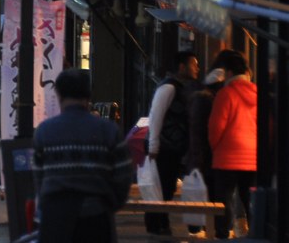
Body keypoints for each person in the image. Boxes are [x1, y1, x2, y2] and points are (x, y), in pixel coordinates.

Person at [32, 68, 133, 242]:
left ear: (59, 95)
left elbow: (39, 179)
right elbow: (123, 178)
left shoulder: (44, 131)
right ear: (88, 97)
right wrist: (108, 205)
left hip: (55, 218)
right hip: (96, 217)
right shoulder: (109, 131)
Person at [145, 50, 200, 235]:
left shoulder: (182, 87)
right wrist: (153, 146)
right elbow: (156, 116)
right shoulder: (168, 87)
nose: (197, 68)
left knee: (166, 188)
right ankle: (157, 225)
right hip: (164, 148)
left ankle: (162, 223)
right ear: (182, 67)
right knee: (160, 188)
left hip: (173, 147)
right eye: (194, 64)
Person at [209, 50, 257, 240]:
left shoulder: (225, 94)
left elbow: (216, 127)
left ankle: (223, 233)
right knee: (249, 198)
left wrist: (215, 148)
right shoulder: (258, 94)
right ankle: (256, 230)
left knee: (225, 199)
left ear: (228, 73)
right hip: (252, 157)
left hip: (226, 158)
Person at [186, 64, 226, 237]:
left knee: (204, 195)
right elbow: (201, 133)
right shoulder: (208, 101)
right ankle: (213, 231)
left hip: (202, 157)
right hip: (207, 157)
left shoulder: (201, 100)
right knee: (211, 196)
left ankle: (201, 230)